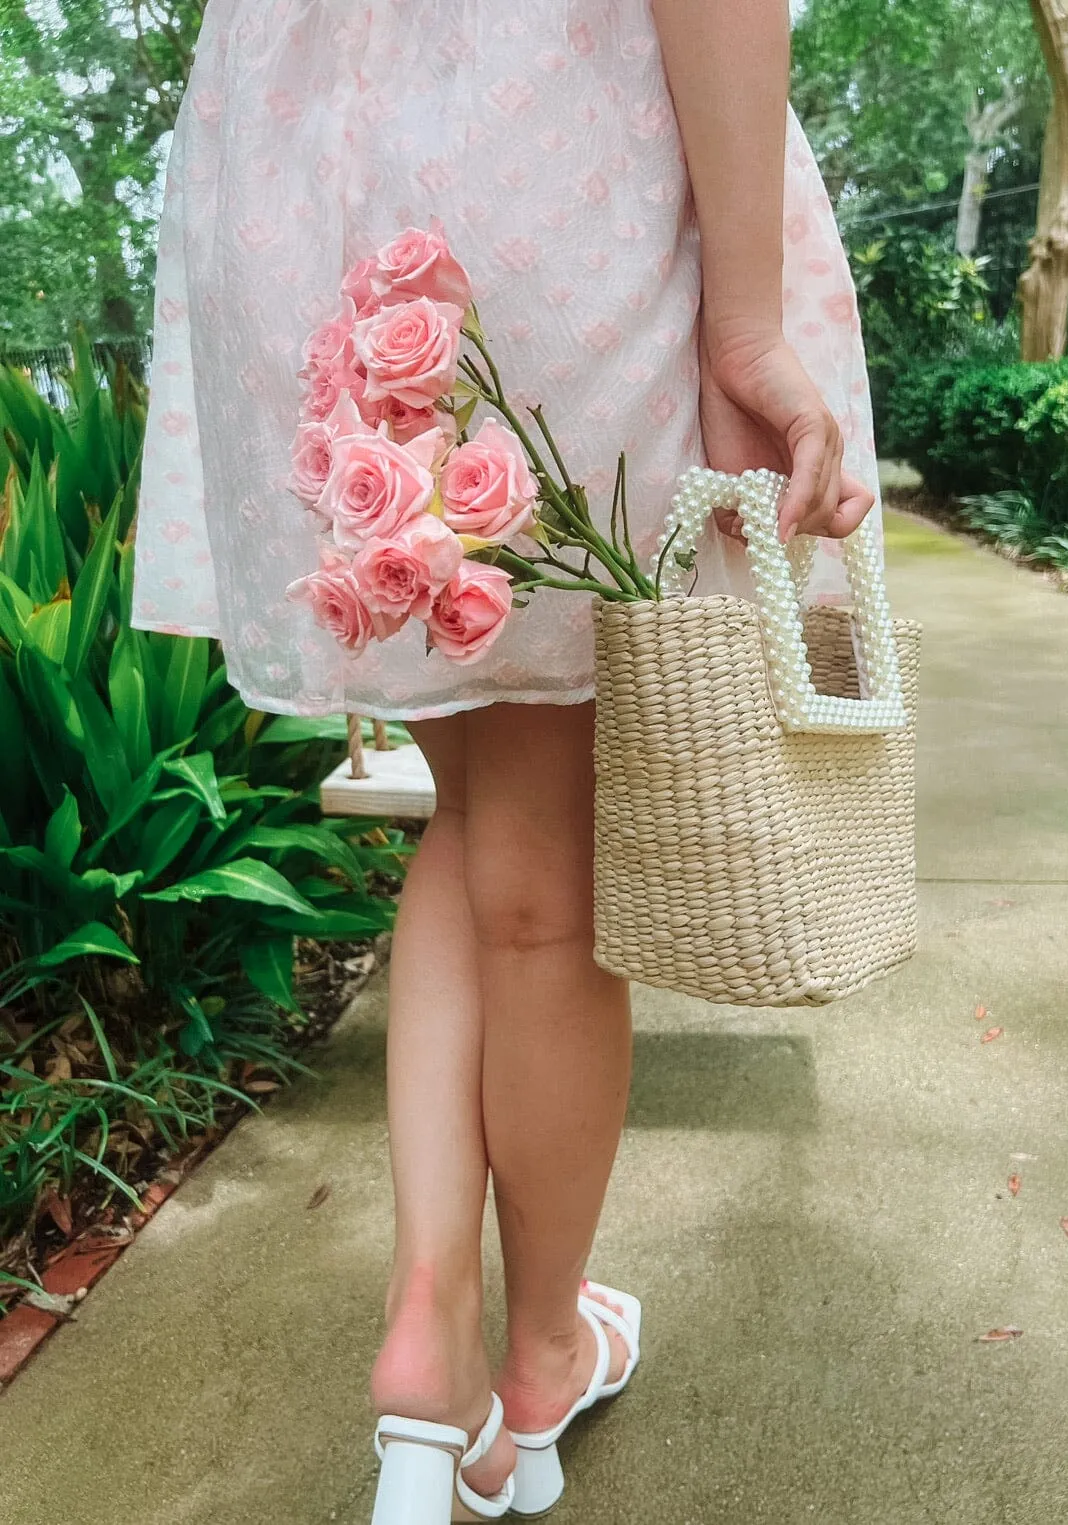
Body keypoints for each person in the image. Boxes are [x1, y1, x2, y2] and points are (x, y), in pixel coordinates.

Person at [133, 0, 877, 1518]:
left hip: (305, 185)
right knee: (541, 869)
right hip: (550, 151)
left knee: (472, 816)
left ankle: (427, 1340)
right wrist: (745, 317)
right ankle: (535, 1359)